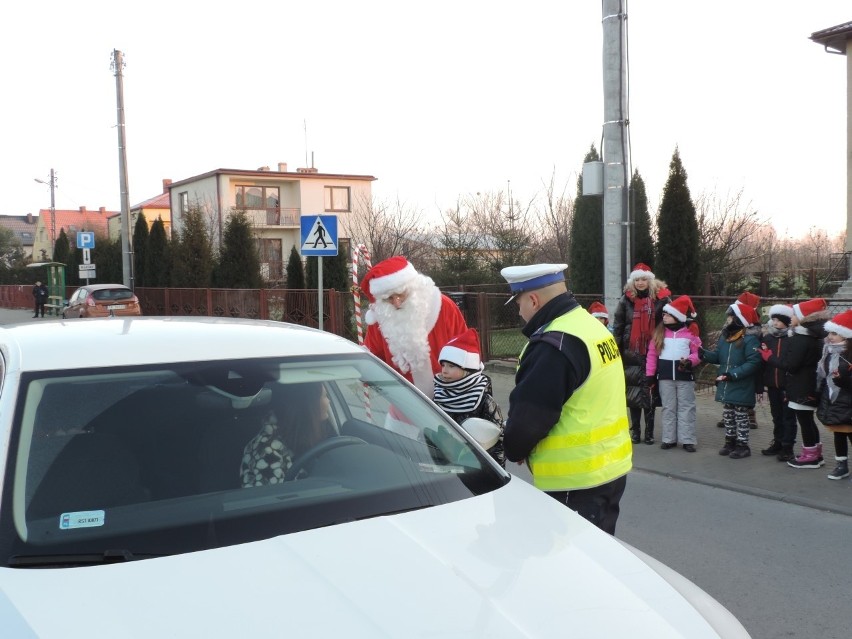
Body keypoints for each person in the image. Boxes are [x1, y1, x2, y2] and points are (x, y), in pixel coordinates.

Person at [500, 263, 631, 535]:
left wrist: (515, 448)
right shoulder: (590, 327)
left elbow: (530, 419)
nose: (519, 311)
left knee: (573, 568)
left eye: (518, 302)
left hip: (574, 483)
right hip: (609, 471)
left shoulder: (554, 344)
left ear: (533, 300)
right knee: (600, 557)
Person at [360, 256, 468, 398]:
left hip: (451, 399)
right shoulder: (381, 318)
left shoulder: (444, 307)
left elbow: (467, 350)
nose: (397, 303)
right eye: (389, 298)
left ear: (413, 287)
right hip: (404, 403)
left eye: (400, 295)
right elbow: (372, 361)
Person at [759, 297, 829, 469]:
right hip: (805, 384)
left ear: (803, 317)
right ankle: (815, 453)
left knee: (803, 421)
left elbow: (791, 365)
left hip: (799, 386)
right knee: (806, 420)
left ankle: (808, 455)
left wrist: (769, 357)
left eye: (794, 314)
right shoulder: (813, 337)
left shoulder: (800, 338)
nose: (791, 318)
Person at [612, 262, 671, 445]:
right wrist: (616, 349)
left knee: (650, 392)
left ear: (650, 281)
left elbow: (669, 322)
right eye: (636, 279)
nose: (640, 283)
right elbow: (619, 326)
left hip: (652, 350)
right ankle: (635, 431)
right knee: (632, 394)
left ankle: (650, 432)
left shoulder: (661, 300)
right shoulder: (625, 300)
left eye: (643, 279)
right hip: (631, 352)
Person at [432, 328, 505, 467]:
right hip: (445, 468)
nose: (444, 370)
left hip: (477, 467)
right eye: (443, 365)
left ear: (467, 369)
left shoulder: (484, 400)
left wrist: (494, 471)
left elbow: (497, 441)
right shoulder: (439, 394)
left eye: (451, 366)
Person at [700, 300, 762, 459]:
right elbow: (718, 357)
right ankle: (730, 441)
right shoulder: (725, 337)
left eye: (730, 317)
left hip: (740, 383)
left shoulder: (750, 340)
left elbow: (753, 362)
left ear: (739, 320)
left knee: (741, 415)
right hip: (726, 383)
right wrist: (703, 354)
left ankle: (743, 445)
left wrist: (734, 374)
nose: (727, 320)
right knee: (728, 414)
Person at [240, 382, 334, 486]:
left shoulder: (319, 432)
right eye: (325, 396)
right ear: (309, 405)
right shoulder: (266, 450)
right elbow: (271, 499)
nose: (329, 401)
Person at [646, 295, 702, 452]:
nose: (664, 316)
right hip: (664, 378)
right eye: (664, 314)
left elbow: (698, 353)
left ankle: (687, 439)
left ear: (677, 317)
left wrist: (690, 361)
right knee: (668, 407)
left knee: (686, 407)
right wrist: (650, 374)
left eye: (668, 314)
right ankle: (668, 438)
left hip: (684, 377)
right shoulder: (659, 334)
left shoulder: (690, 334)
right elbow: (652, 355)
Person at [815, 309, 852, 481]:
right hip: (834, 400)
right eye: (830, 332)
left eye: (835, 333)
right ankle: (841, 465)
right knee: (838, 434)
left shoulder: (848, 356)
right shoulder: (829, 353)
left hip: (848, 402)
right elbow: (824, 377)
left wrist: (841, 380)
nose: (830, 336)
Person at [759, 304, 799, 460]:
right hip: (772, 384)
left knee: (788, 417)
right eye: (773, 320)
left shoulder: (792, 339)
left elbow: (787, 362)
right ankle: (778, 442)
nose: (774, 323)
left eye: (778, 320)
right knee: (776, 415)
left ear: (786, 321)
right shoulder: (768, 338)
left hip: (787, 384)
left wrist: (769, 357)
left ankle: (787, 447)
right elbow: (763, 361)